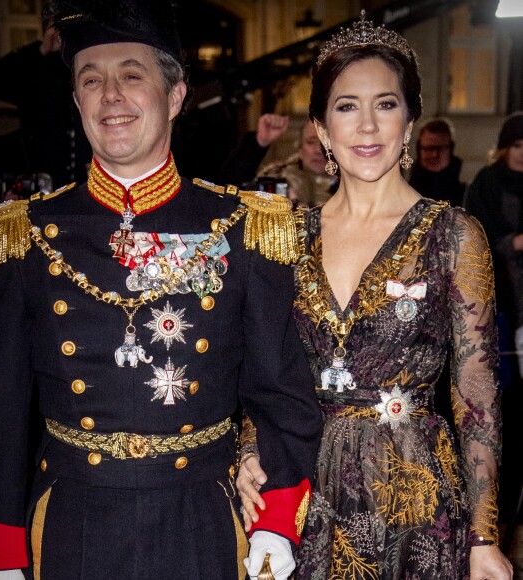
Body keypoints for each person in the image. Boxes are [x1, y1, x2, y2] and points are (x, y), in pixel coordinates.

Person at [0, 1, 323, 579]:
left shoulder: (244, 225)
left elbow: (281, 393)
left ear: (176, 95)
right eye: (91, 81)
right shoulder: (26, 234)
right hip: (72, 524)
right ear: (77, 100)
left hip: (202, 518)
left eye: (131, 75)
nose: (111, 96)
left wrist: (278, 519)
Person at [236, 10, 513, 579]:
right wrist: (246, 454)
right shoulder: (287, 236)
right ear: (319, 126)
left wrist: (485, 536)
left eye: (385, 104)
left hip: (415, 499)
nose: (367, 126)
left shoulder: (454, 235)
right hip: (301, 492)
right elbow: (263, 371)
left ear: (409, 121)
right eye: (346, 106)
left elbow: (476, 394)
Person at [464, 111, 523, 540]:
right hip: (501, 309)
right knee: (501, 410)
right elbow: (476, 241)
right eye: (518, 144)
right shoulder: (487, 181)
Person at [0, 1, 92, 189]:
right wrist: (41, 49)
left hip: (81, 180)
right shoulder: (33, 71)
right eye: (57, 27)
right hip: (43, 179)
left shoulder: (82, 65)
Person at [221, 118, 337, 207]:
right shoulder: (277, 176)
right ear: (300, 148)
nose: (318, 150)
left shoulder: (352, 184)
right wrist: (259, 142)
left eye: (326, 143)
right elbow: (227, 188)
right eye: (311, 142)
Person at [407, 117, 466, 206]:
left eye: (440, 148)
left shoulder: (467, 194)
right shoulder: (405, 192)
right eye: (429, 148)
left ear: (451, 149)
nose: (434, 155)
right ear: (419, 149)